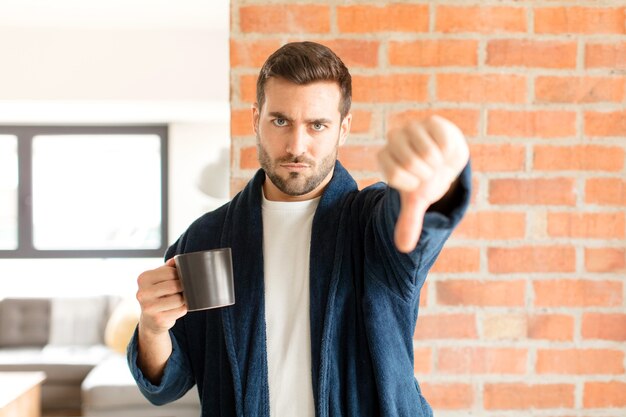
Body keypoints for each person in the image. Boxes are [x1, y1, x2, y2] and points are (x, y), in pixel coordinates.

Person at [128, 41, 471, 417]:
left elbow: (414, 221)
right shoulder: (206, 239)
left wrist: (438, 183)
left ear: (343, 129)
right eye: (280, 121)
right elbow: (169, 384)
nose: (296, 145)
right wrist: (153, 328)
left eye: (317, 125)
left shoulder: (371, 225)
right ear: (255, 119)